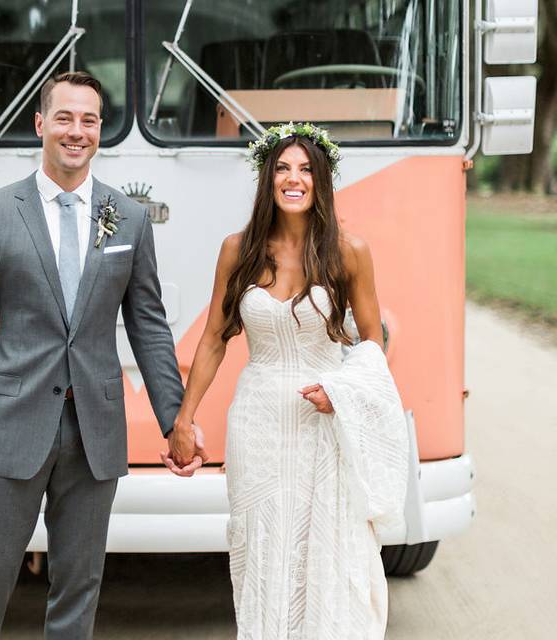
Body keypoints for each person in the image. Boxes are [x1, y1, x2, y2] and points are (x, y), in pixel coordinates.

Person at [0, 71, 206, 640]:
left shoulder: (126, 217)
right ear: (40, 124)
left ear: (100, 131)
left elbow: (150, 327)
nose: (76, 131)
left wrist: (175, 421)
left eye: (88, 120)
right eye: (64, 117)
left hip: (94, 433)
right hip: (6, 434)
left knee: (78, 592)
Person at [166, 123, 409, 639]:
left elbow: (371, 344)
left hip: (323, 423)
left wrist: (342, 394)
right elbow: (213, 339)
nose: (293, 179)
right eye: (282, 168)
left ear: (321, 181)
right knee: (261, 546)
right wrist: (183, 420)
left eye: (305, 170)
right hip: (257, 421)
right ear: (267, 179)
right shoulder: (239, 250)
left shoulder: (350, 252)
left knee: (326, 546)